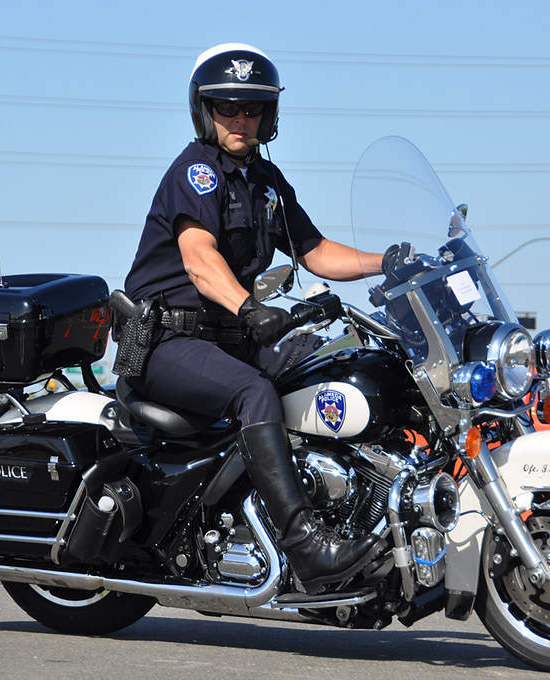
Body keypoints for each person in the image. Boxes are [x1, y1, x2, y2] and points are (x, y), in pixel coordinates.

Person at [121, 43, 387, 592]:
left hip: (230, 338)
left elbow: (314, 252)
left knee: (330, 367)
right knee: (254, 394)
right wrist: (249, 307)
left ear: (268, 115)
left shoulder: (265, 181)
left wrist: (391, 262)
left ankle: (359, 506)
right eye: (228, 108)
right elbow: (199, 259)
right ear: (205, 111)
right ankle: (307, 548)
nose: (241, 119)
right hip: (170, 341)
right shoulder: (194, 173)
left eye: (252, 109)